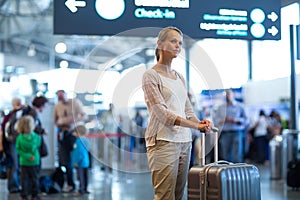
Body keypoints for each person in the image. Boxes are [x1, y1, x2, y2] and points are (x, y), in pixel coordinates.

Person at [142, 26, 212, 200]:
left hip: (184, 141)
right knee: (165, 195)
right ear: (160, 43)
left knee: (179, 194)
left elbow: (187, 109)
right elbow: (163, 114)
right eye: (173, 41)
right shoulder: (150, 75)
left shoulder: (179, 76)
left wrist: (200, 123)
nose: (178, 46)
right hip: (163, 141)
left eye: (180, 43)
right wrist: (195, 125)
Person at [53, 90, 87, 193]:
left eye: (62, 97)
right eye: (59, 98)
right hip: (64, 135)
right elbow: (55, 121)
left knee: (78, 159)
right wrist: (61, 123)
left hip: (74, 135)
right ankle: (70, 184)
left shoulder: (75, 103)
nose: (61, 100)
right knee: (65, 161)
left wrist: (73, 120)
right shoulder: (57, 106)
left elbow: (84, 116)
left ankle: (82, 185)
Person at [215, 89, 248, 163]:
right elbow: (215, 121)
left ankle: (237, 172)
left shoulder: (240, 107)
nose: (227, 95)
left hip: (237, 132)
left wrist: (237, 120)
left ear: (234, 95)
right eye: (226, 94)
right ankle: (226, 172)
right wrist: (223, 120)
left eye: (229, 93)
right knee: (224, 155)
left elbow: (246, 121)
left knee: (237, 154)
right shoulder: (220, 108)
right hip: (225, 133)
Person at [15, 115, 41, 200]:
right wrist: (32, 156)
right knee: (35, 178)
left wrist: (27, 156)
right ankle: (34, 195)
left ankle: (24, 195)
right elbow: (38, 145)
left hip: (23, 161)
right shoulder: (36, 136)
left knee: (24, 180)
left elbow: (18, 149)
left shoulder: (19, 138)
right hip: (35, 161)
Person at [1, 97, 24, 193]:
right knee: (14, 164)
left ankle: (16, 185)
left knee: (17, 164)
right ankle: (13, 186)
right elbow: (4, 130)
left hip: (14, 141)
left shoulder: (14, 115)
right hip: (12, 142)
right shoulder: (11, 115)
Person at [71, 124, 90, 195]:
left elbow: (79, 152)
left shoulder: (78, 141)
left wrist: (76, 161)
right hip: (86, 161)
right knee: (85, 176)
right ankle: (85, 188)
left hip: (80, 162)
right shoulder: (86, 140)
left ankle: (81, 190)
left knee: (80, 177)